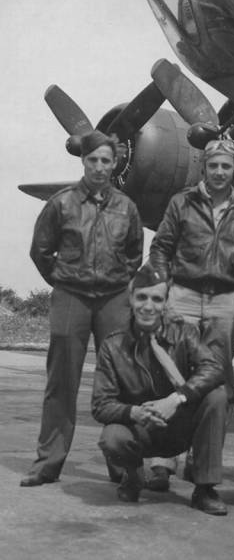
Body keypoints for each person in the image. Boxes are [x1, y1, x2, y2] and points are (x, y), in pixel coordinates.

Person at [21, 130, 143, 487]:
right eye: (94, 160)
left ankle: (121, 462)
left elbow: (134, 253)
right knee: (62, 380)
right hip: (71, 296)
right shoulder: (61, 203)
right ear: (83, 161)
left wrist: (117, 280)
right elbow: (40, 251)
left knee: (120, 380)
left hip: (113, 298)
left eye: (107, 160)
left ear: (115, 162)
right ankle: (48, 462)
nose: (100, 167)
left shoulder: (127, 207)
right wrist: (64, 279)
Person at [147, 138, 234, 491]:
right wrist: (164, 286)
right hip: (183, 292)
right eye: (214, 165)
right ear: (203, 168)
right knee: (169, 372)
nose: (220, 172)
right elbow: (162, 246)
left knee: (218, 383)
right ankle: (162, 460)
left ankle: (203, 464)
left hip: (224, 298)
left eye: (226, 166)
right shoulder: (182, 203)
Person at [91, 264, 230, 515]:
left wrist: (177, 398)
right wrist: (133, 412)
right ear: (131, 299)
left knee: (217, 396)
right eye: (142, 297)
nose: (148, 306)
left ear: (165, 303)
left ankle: (205, 488)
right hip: (141, 429)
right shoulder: (112, 345)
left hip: (180, 425)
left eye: (157, 299)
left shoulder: (184, 333)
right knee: (112, 438)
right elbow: (100, 404)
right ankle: (133, 477)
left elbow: (213, 368)